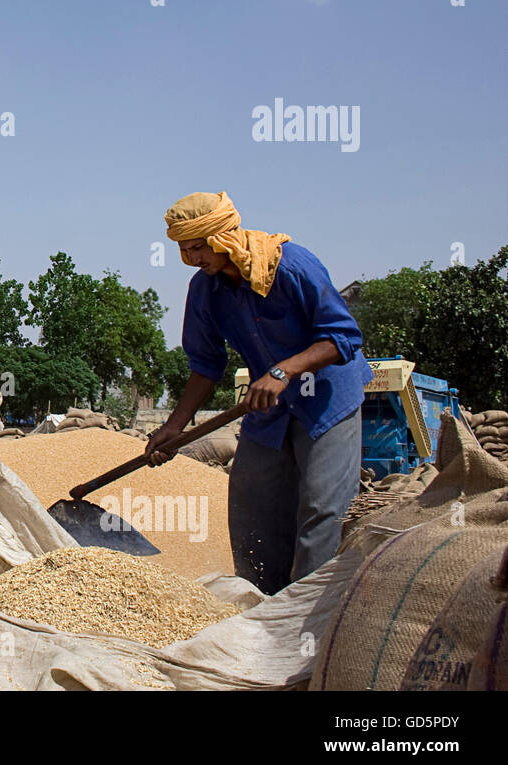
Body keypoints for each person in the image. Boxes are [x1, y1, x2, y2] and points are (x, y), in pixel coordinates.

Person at [146, 191, 372, 596]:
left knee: (322, 509)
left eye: (199, 247)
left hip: (327, 402)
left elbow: (343, 336)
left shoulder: (292, 266)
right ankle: (260, 603)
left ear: (223, 236)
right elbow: (205, 366)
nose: (193, 258)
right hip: (267, 409)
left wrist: (284, 371)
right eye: (184, 249)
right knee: (251, 506)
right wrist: (174, 427)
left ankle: (306, 612)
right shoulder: (205, 291)